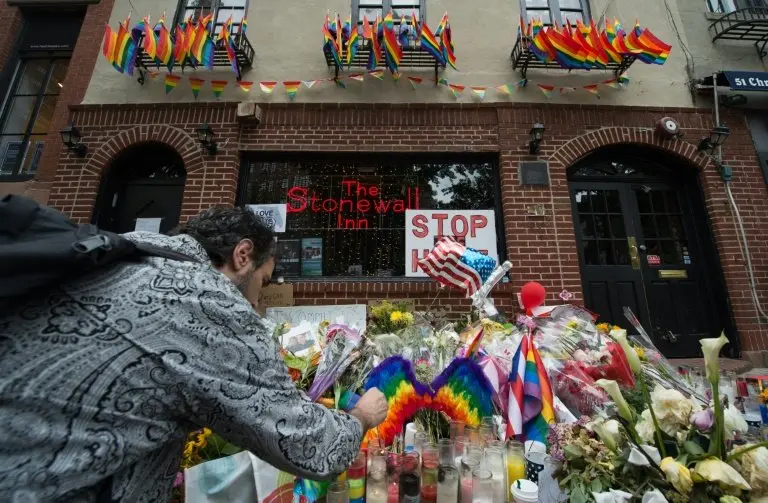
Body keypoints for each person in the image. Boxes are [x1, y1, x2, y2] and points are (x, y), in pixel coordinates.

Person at [0, 206, 388, 502]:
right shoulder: (203, 302)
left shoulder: (125, 259)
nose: (257, 301)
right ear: (242, 255)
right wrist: (360, 417)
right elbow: (307, 445)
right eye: (263, 282)